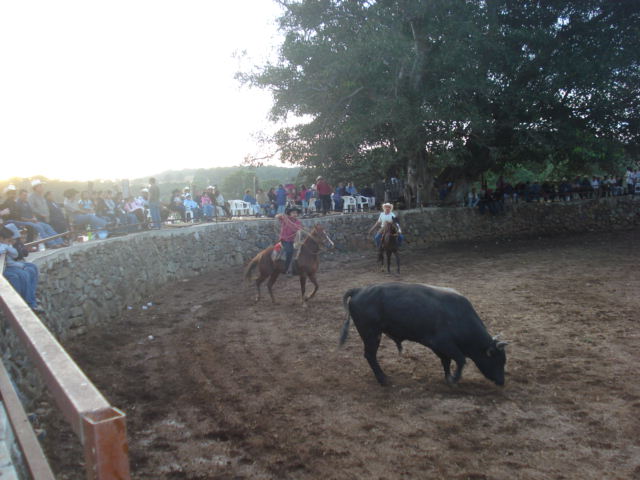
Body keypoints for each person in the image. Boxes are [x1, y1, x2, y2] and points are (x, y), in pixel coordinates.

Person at [0, 226, 43, 312]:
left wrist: (7, 246)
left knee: (32, 267)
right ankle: (29, 302)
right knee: (23, 274)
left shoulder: (6, 245)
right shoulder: (3, 246)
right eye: (8, 240)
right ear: (1, 238)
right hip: (5, 268)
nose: (10, 242)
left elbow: (15, 254)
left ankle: (32, 296)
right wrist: (20, 266)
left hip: (10, 265)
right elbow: (7, 260)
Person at [276, 206, 303, 275]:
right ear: (290, 213)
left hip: (293, 241)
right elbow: (277, 216)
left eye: (296, 213)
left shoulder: (298, 222)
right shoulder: (285, 219)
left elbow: (296, 229)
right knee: (289, 251)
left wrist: (287, 221)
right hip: (284, 240)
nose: (295, 214)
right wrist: (281, 215)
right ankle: (287, 269)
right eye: (293, 213)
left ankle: (298, 267)